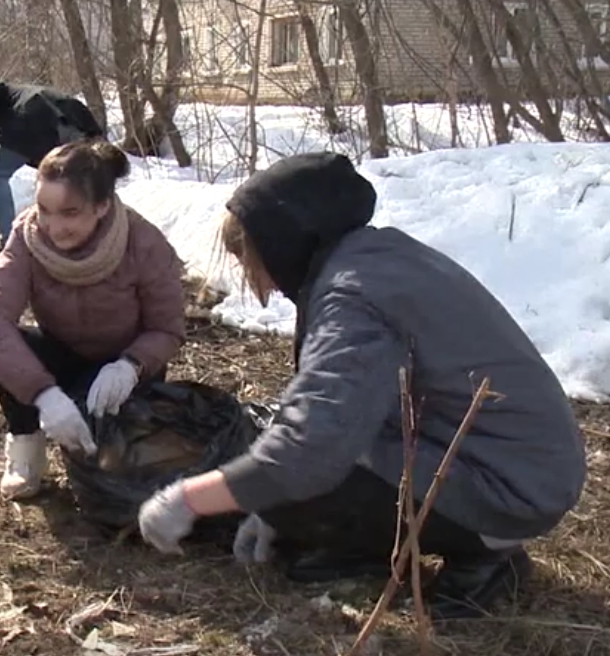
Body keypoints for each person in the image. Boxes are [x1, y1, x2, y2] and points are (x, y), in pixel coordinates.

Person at [136, 152, 587, 620]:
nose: (258, 278)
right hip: (519, 462)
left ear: (281, 243)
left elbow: (309, 448)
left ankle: (486, 556)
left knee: (292, 476)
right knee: (282, 472)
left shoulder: (352, 297)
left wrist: (188, 500)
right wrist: (271, 505)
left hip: (510, 483)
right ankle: (365, 547)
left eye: (252, 259)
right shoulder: (377, 258)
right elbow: (347, 401)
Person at [0, 140, 186, 500]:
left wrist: (130, 365)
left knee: (118, 470)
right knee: (16, 347)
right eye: (44, 209)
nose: (54, 227)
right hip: (63, 354)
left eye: (70, 213)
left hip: (125, 368)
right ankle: (26, 453)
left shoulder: (144, 243)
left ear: (101, 206)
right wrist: (44, 394)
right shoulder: (26, 238)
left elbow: (167, 328)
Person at [0, 78, 105, 241]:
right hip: (72, 127)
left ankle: (9, 239)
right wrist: (95, 134)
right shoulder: (29, 91)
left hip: (34, 120)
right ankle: (85, 234)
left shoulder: (3, 94)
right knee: (71, 182)